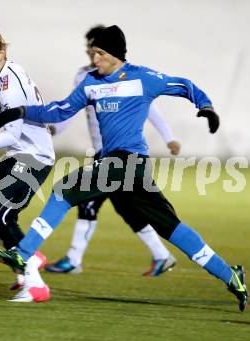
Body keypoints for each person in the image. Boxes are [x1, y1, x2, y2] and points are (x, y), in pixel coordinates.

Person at [0, 25, 249, 311]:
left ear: (115, 54)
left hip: (128, 162)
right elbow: (61, 110)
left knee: (64, 190)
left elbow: (183, 84)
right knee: (170, 227)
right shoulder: (90, 82)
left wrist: (206, 106)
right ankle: (230, 274)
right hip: (120, 165)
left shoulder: (142, 78)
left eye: (99, 53)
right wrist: (23, 112)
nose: (94, 59)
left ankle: (24, 254)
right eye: (93, 53)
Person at [46, 25, 180, 276]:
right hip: (105, 154)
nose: (91, 52)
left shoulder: (125, 76)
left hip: (117, 158)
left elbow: (150, 107)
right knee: (127, 208)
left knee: (86, 202)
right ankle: (162, 255)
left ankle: (73, 259)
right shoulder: (84, 76)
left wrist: (169, 137)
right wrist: (54, 130)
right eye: (89, 46)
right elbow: (70, 110)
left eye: (95, 47)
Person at [0, 28, 53, 302]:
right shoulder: (10, 70)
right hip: (18, 155)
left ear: (1, 53)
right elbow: (6, 83)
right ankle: (25, 259)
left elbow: (12, 135)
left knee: (2, 216)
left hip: (33, 157)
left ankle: (34, 282)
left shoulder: (9, 89)